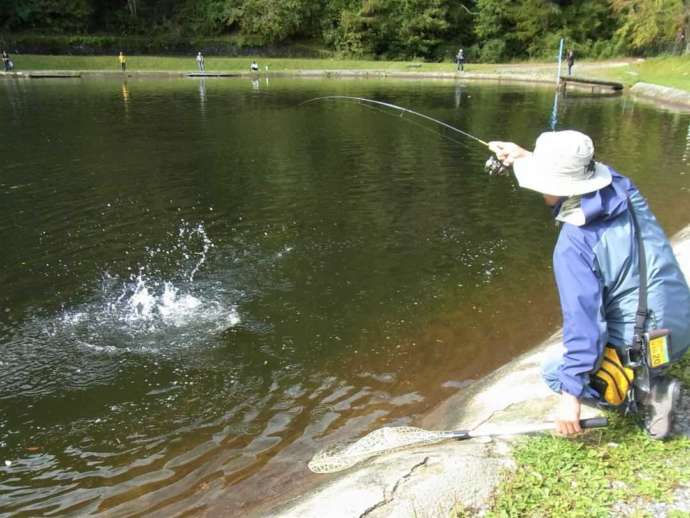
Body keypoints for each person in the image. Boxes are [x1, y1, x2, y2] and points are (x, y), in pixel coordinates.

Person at [488, 131, 690, 440]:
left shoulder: (574, 245)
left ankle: (648, 395)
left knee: (555, 371)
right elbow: (583, 170)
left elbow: (584, 326)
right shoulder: (625, 189)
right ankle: (651, 377)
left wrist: (570, 399)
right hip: (679, 330)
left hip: (642, 348)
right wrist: (524, 156)